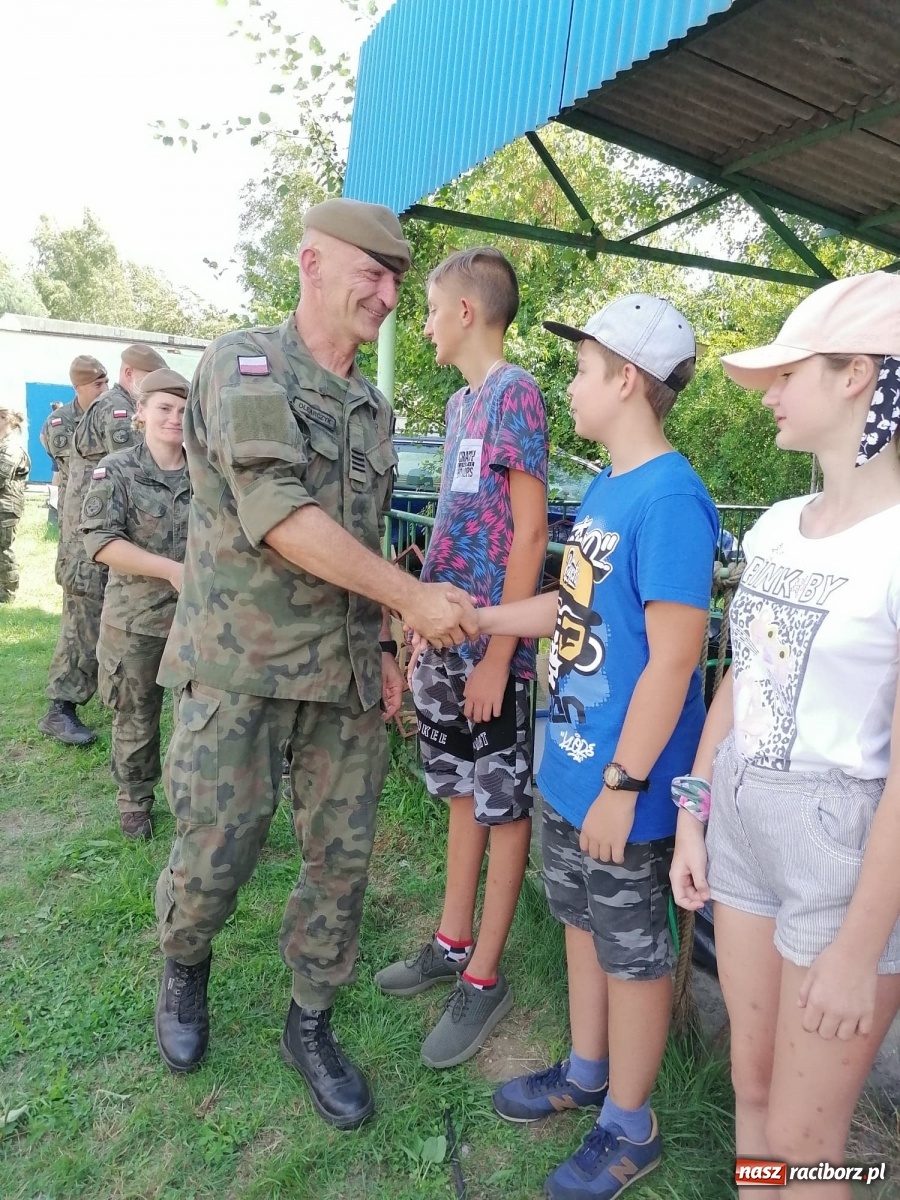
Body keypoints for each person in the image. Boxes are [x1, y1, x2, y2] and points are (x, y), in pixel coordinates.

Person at [152, 198, 478, 1132]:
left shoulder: (372, 409)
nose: (385, 292)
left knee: (342, 859)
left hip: (339, 676)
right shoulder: (245, 363)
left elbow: (363, 536)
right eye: (368, 273)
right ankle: (185, 965)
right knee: (219, 851)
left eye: (395, 279)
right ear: (310, 266)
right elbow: (280, 514)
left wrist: (380, 639)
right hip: (240, 667)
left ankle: (312, 1020)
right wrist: (414, 602)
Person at [476, 296, 718, 1200]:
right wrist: (488, 616)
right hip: (570, 774)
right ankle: (586, 1074)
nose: (569, 384)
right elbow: (572, 609)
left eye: (581, 368)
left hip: (624, 787)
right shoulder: (612, 489)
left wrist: (624, 782)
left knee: (633, 954)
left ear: (626, 379)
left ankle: (632, 1123)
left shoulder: (673, 499)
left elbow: (676, 657)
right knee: (581, 926)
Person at [671, 271, 900, 1200]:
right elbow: (738, 683)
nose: (767, 391)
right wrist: (695, 812)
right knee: (752, 1088)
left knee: (813, 1146)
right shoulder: (772, 528)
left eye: (786, 371)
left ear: (857, 375)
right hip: (742, 820)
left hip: (840, 851)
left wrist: (858, 950)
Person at [375, 247, 550, 1068]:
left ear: (468, 314)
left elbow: (531, 531)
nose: (425, 322)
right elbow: (454, 522)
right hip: (444, 639)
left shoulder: (516, 394)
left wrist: (498, 655)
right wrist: (418, 619)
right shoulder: (458, 407)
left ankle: (484, 977)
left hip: (491, 652)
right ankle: (451, 938)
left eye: (431, 308)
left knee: (503, 804)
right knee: (457, 791)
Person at [80, 369, 191, 841]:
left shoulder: (208, 471)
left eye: (184, 411)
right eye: (164, 408)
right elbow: (101, 542)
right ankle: (134, 801)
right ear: (141, 412)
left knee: (198, 722)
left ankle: (193, 803)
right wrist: (169, 569)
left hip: (196, 623)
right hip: (136, 621)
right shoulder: (117, 468)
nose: (174, 419)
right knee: (136, 717)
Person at [39, 345, 165, 746]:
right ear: (131, 374)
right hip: (88, 541)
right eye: (149, 376)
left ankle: (92, 698)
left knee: (95, 622)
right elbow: (136, 463)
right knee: (83, 624)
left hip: (96, 533)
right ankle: (60, 709)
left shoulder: (115, 403)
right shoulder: (117, 408)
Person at [40, 355, 109, 569]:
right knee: (80, 585)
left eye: (107, 382)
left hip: (109, 515)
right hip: (77, 519)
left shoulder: (110, 416)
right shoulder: (61, 421)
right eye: (98, 384)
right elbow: (75, 468)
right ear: (77, 387)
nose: (105, 390)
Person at [0, 408, 31, 603]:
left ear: (7, 420)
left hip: (6, 507)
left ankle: (7, 594)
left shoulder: (11, 448)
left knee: (2, 549)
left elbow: (1, 475)